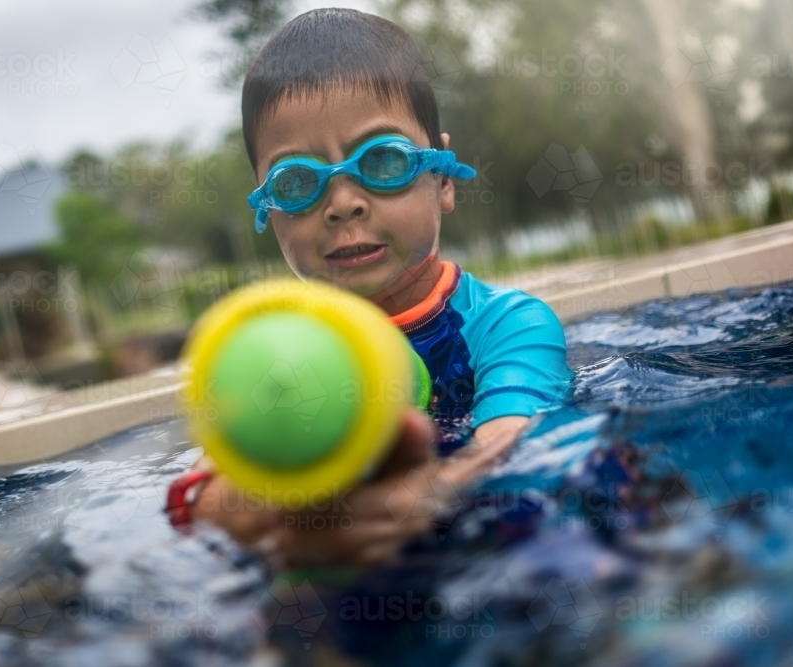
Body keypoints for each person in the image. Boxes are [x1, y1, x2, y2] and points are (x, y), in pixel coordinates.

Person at [178, 8, 572, 566]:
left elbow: (514, 443)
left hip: (500, 546)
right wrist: (268, 520)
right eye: (297, 180)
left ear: (442, 178)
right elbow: (202, 495)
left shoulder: (508, 325)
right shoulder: (279, 351)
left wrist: (423, 497)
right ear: (268, 204)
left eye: (383, 161)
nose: (343, 203)